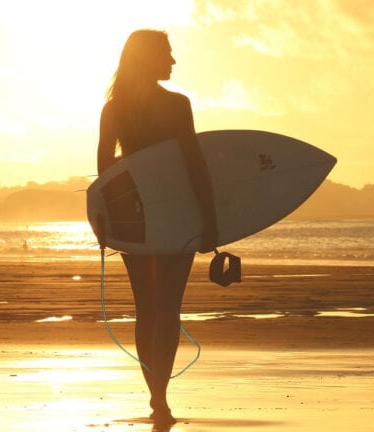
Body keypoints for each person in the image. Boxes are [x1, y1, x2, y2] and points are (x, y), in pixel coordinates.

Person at [97, 29, 218, 427]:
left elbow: (104, 174)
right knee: (167, 310)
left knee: (146, 311)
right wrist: (210, 220)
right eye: (166, 53)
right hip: (177, 216)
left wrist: (108, 223)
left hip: (135, 219)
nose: (173, 60)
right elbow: (195, 165)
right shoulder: (177, 105)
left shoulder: (114, 109)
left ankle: (157, 396)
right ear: (148, 57)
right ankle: (160, 397)